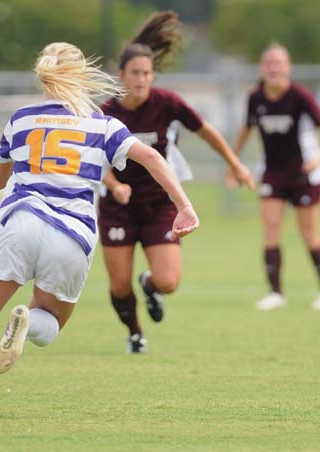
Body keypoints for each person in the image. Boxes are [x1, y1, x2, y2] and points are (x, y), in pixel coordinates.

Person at [0, 42, 199, 419]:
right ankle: (27, 323)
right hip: (72, 235)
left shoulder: (21, 118)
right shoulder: (102, 122)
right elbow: (151, 156)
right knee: (51, 323)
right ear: (80, 76)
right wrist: (184, 205)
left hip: (21, 224)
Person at [98, 11, 254, 353]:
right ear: (121, 74)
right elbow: (95, 159)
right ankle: (135, 334)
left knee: (169, 281)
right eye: (135, 73)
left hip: (158, 204)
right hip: (118, 207)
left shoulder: (166, 104)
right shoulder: (105, 112)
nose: (141, 79)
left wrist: (236, 164)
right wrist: (113, 185)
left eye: (147, 73)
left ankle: (149, 286)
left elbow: (207, 132)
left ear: (153, 76)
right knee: (119, 284)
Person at [229, 43, 320, 311]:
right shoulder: (255, 98)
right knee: (270, 230)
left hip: (304, 173)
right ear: (261, 67)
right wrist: (233, 163)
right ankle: (276, 293)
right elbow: (246, 129)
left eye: (279, 62)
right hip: (273, 174)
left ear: (288, 67)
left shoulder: (300, 96)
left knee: (308, 232)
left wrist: (319, 159)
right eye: (268, 62)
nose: (273, 67)